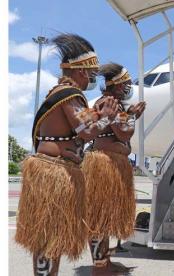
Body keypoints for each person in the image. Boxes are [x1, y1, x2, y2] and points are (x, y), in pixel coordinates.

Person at [15, 33, 119, 276]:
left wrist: (98, 113)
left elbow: (81, 125)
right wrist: (107, 117)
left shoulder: (64, 94)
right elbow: (86, 131)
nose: (93, 80)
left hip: (56, 170)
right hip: (54, 172)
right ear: (82, 71)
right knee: (49, 236)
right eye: (92, 75)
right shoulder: (69, 95)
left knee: (52, 236)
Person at [82, 63, 146, 268]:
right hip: (106, 164)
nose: (128, 87)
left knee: (104, 216)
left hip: (106, 161)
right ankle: (100, 265)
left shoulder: (100, 102)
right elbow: (124, 133)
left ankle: (103, 262)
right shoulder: (112, 103)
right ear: (117, 85)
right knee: (100, 217)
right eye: (126, 83)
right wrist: (133, 116)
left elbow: (84, 128)